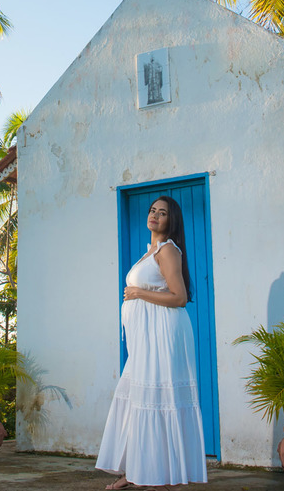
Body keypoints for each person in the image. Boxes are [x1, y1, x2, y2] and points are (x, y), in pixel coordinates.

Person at [96, 196, 207, 489]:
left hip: (163, 336)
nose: (155, 215)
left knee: (157, 399)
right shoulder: (151, 252)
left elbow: (180, 298)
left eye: (163, 212)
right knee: (137, 397)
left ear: (172, 221)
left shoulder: (169, 250)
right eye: (152, 210)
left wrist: (138, 294)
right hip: (146, 340)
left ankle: (159, 475)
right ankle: (137, 471)